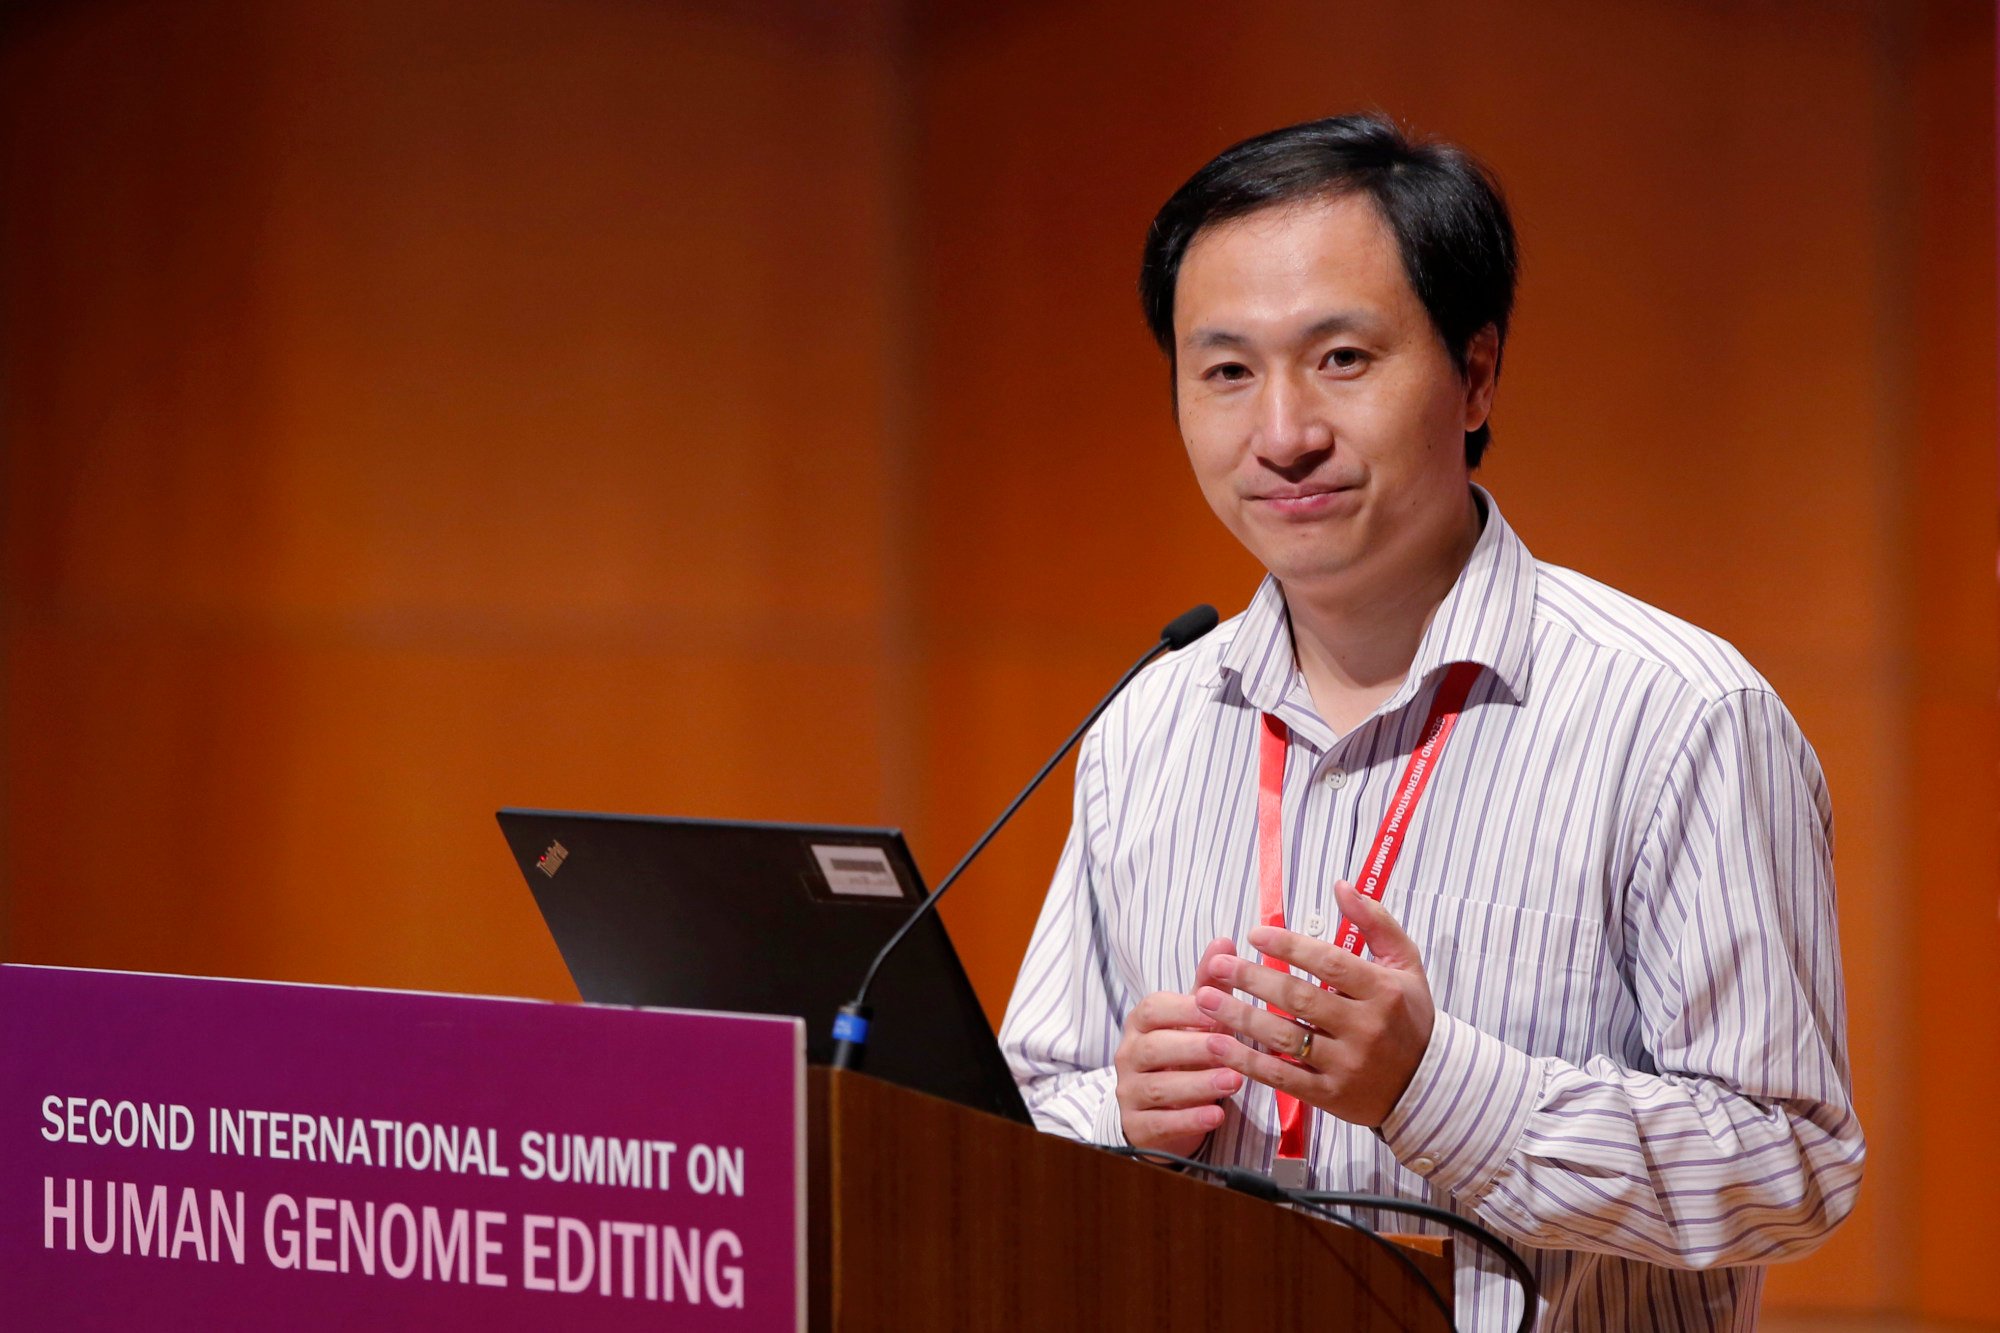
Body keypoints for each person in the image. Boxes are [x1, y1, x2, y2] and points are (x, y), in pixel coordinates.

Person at [998, 114, 1864, 1332]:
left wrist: (1433, 1087)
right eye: (1226, 371)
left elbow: (1789, 1168)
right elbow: (1027, 1102)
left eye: (1341, 358)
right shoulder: (1146, 722)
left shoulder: (1677, 716)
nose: (1282, 432)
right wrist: (1117, 1117)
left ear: (1474, 373)